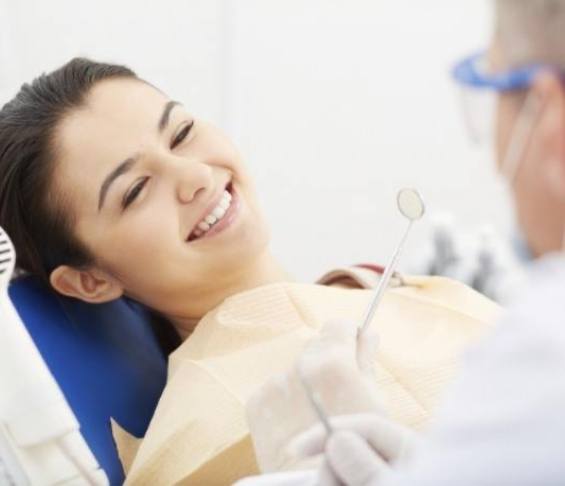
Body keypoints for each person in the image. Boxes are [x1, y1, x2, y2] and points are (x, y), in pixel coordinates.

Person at [0, 60, 499, 483]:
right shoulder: (203, 439)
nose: (195, 176)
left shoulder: (371, 289)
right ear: (91, 280)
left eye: (181, 133)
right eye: (134, 191)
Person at [245, 0, 565, 484]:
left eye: (488, 95)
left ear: (552, 122)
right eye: (136, 191)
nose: (193, 180)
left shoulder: (542, 351)